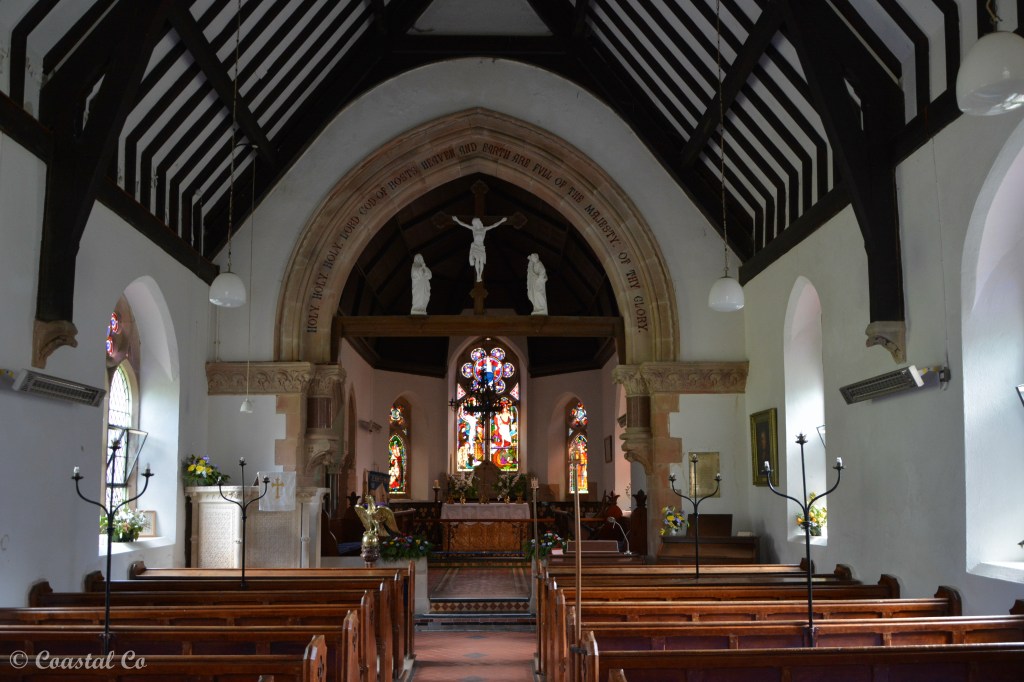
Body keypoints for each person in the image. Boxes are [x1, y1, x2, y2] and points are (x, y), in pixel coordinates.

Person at [453, 215, 507, 281]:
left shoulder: (484, 229)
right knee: (477, 260)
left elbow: (493, 225)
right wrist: (457, 220)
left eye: (474, 223)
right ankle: (478, 274)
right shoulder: (474, 229)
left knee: (481, 261)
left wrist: (501, 221)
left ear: (477, 222)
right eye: (473, 223)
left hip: (481, 246)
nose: (474, 224)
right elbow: (464, 224)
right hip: (475, 246)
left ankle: (479, 275)